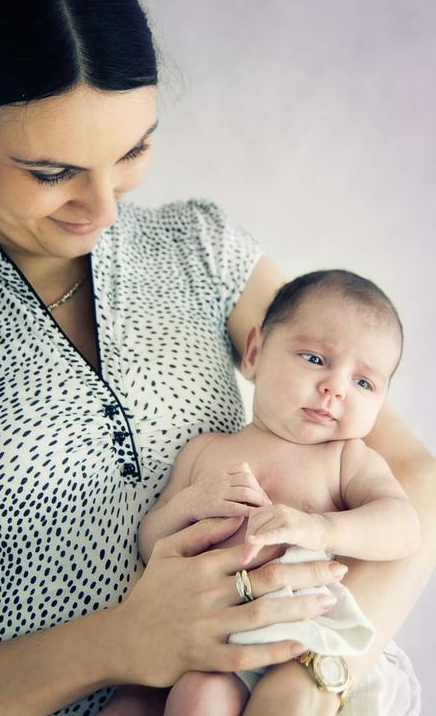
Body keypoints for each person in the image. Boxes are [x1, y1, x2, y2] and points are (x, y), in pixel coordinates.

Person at [0, 0, 434, 716]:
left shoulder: (197, 248)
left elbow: (415, 482)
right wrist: (120, 644)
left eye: (133, 151)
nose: (105, 210)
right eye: (52, 171)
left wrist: (313, 674)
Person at [103, 269, 419, 715]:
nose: (335, 387)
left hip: (295, 639)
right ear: (254, 354)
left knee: (214, 700)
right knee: (144, 703)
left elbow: (404, 527)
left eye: (363, 383)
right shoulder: (206, 451)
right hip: (202, 630)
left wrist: (321, 528)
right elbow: (150, 541)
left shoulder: (346, 458)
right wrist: (189, 506)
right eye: (315, 358)